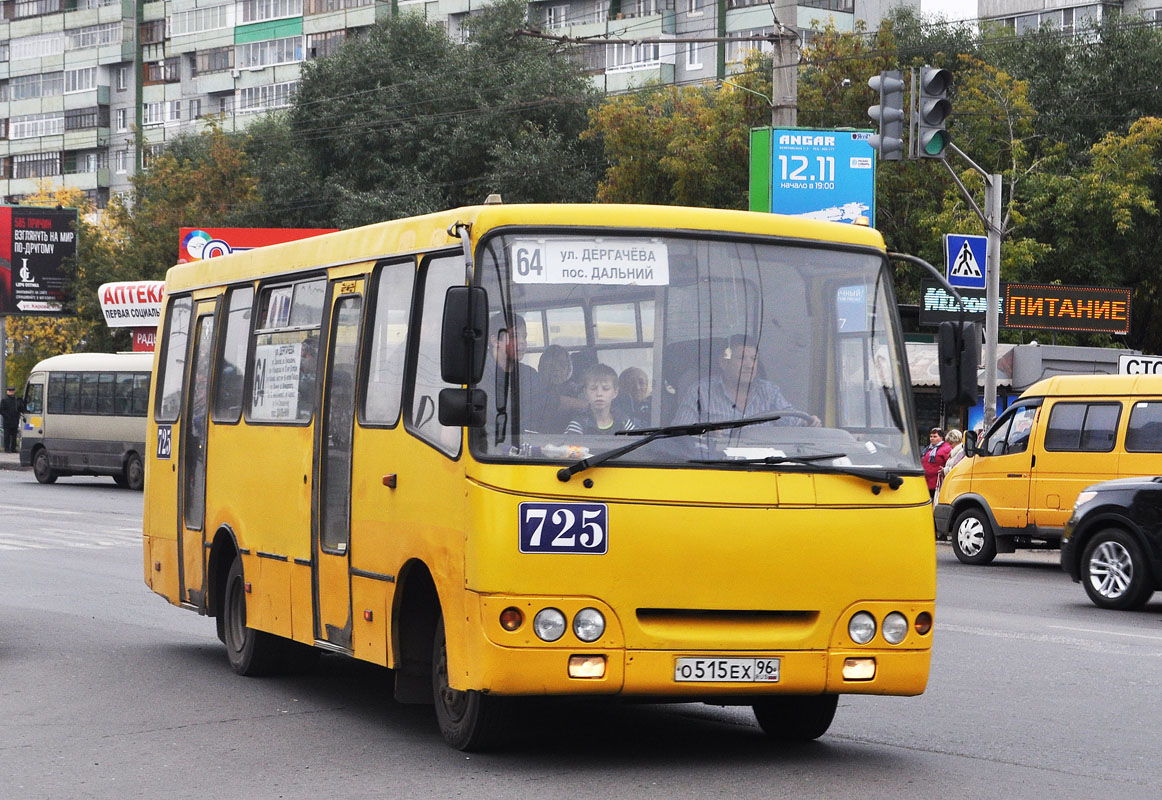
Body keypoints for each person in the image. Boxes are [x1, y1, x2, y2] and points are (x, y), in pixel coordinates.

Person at [671, 334, 819, 428]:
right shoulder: (700, 392)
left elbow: (794, 422)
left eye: (753, 359)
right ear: (724, 363)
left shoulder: (769, 392)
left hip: (764, 467)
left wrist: (808, 424)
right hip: (717, 467)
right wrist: (705, 436)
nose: (749, 365)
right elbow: (679, 436)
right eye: (741, 358)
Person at [481, 312, 551, 445]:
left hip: (528, 446)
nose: (522, 342)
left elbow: (548, 401)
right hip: (490, 450)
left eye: (524, 337)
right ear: (495, 340)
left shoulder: (529, 374)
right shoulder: (479, 377)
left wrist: (584, 405)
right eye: (514, 336)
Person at [564, 363, 638, 435]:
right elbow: (570, 447)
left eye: (605, 389)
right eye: (593, 388)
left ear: (615, 392)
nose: (599, 393)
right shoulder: (578, 424)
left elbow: (636, 445)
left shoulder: (623, 422)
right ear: (585, 393)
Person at [537, 344, 587, 433]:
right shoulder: (533, 391)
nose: (556, 369)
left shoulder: (580, 392)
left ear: (570, 368)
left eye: (562, 364)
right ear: (541, 367)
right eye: (551, 365)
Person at [922, 427, 952, 498]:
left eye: (935, 436)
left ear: (941, 438)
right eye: (931, 436)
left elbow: (949, 463)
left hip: (938, 483)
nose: (932, 438)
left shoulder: (946, 449)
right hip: (926, 482)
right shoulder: (928, 448)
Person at [1, 386, 23, 454]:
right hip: (7, 421)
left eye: (12, 391)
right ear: (7, 392)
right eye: (10, 391)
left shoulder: (16, 400)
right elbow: (1, 410)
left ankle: (13, 448)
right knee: (7, 436)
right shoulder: (4, 400)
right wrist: (7, 416)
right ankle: (7, 448)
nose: (11, 392)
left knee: (14, 436)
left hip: (15, 420)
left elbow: (19, 409)